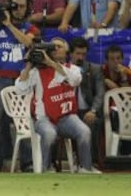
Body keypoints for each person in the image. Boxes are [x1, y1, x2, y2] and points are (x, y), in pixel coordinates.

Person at [15, 37, 100, 173]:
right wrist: (29, 64)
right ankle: (46, 168)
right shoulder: (37, 71)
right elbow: (20, 88)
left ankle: (85, 168)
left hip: (67, 117)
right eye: (52, 46)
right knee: (49, 134)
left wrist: (50, 63)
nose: (55, 48)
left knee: (84, 131)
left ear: (66, 51)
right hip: (44, 119)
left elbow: (74, 80)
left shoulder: (73, 68)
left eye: (59, 46)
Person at [0, 0, 38, 172]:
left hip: (21, 80)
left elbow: (28, 43)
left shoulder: (30, 28)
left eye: (22, 6)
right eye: (15, 5)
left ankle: (28, 163)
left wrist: (8, 24)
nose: (18, 10)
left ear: (28, 9)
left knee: (23, 121)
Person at [68, 37, 105, 167]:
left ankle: (91, 162)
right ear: (71, 53)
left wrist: (93, 111)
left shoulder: (94, 69)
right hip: (68, 111)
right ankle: (58, 162)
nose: (81, 57)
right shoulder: (63, 69)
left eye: (83, 54)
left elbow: (100, 93)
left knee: (92, 122)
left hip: (87, 111)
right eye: (78, 53)